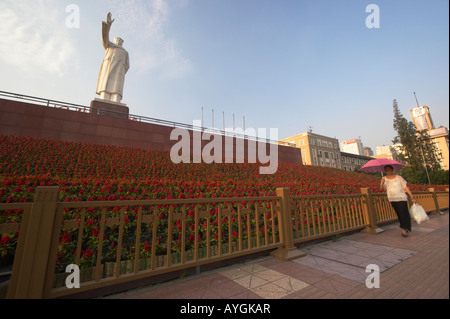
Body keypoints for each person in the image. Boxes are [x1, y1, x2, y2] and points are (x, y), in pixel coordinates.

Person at [96, 12, 130, 103]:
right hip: (109, 69)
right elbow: (104, 38)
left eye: (120, 41)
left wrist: (121, 71)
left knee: (116, 90)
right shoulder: (110, 46)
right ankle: (104, 98)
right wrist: (108, 25)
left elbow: (127, 65)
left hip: (119, 73)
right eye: (117, 40)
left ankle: (116, 100)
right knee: (105, 87)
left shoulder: (125, 52)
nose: (118, 42)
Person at [380, 165, 417, 237]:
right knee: (399, 214)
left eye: (389, 169)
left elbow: (405, 187)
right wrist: (382, 182)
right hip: (392, 199)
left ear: (392, 170)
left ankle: (404, 229)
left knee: (404, 213)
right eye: (386, 170)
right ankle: (404, 226)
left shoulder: (399, 177)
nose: (388, 171)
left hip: (401, 198)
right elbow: (381, 189)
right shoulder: (384, 179)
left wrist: (412, 197)